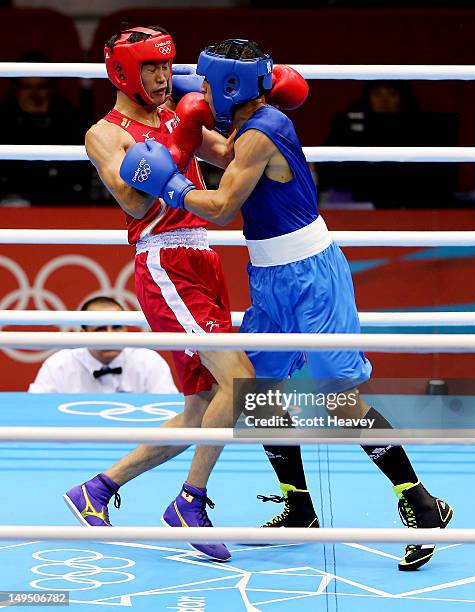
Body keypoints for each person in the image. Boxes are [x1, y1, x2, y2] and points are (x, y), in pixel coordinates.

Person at [120, 38, 454, 571]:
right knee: (259, 392)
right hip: (271, 275)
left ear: (231, 87)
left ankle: (420, 504)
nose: (201, 93)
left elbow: (225, 205)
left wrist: (173, 186)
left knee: (338, 400)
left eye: (208, 84)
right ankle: (299, 506)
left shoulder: (263, 131)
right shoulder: (247, 124)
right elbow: (226, 153)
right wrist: (178, 91)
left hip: (312, 277)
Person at [63, 27, 306, 562]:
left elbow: (229, 156)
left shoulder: (183, 108)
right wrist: (176, 146)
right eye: (148, 67)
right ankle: (189, 503)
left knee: (203, 405)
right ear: (124, 72)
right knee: (241, 382)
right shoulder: (104, 132)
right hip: (164, 260)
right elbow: (130, 200)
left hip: (205, 256)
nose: (159, 77)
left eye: (164, 67)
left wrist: (260, 110)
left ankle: (98, 489)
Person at [320, 80, 457, 208]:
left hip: (410, 203)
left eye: (391, 94)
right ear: (368, 97)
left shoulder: (421, 130)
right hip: (360, 202)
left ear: (402, 98)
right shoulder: (347, 128)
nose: (384, 99)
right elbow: (331, 169)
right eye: (377, 93)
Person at [29, 296, 178, 393]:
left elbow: (167, 412)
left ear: (126, 328)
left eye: (117, 327)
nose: (110, 336)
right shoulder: (58, 365)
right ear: (84, 332)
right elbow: (35, 409)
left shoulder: (150, 362)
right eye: (100, 329)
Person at [0, 52, 89, 207]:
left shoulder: (69, 118)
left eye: (41, 86)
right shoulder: (3, 118)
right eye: (27, 87)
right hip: (12, 198)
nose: (34, 94)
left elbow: (78, 173)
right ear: (16, 89)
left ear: (51, 89)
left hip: (62, 198)